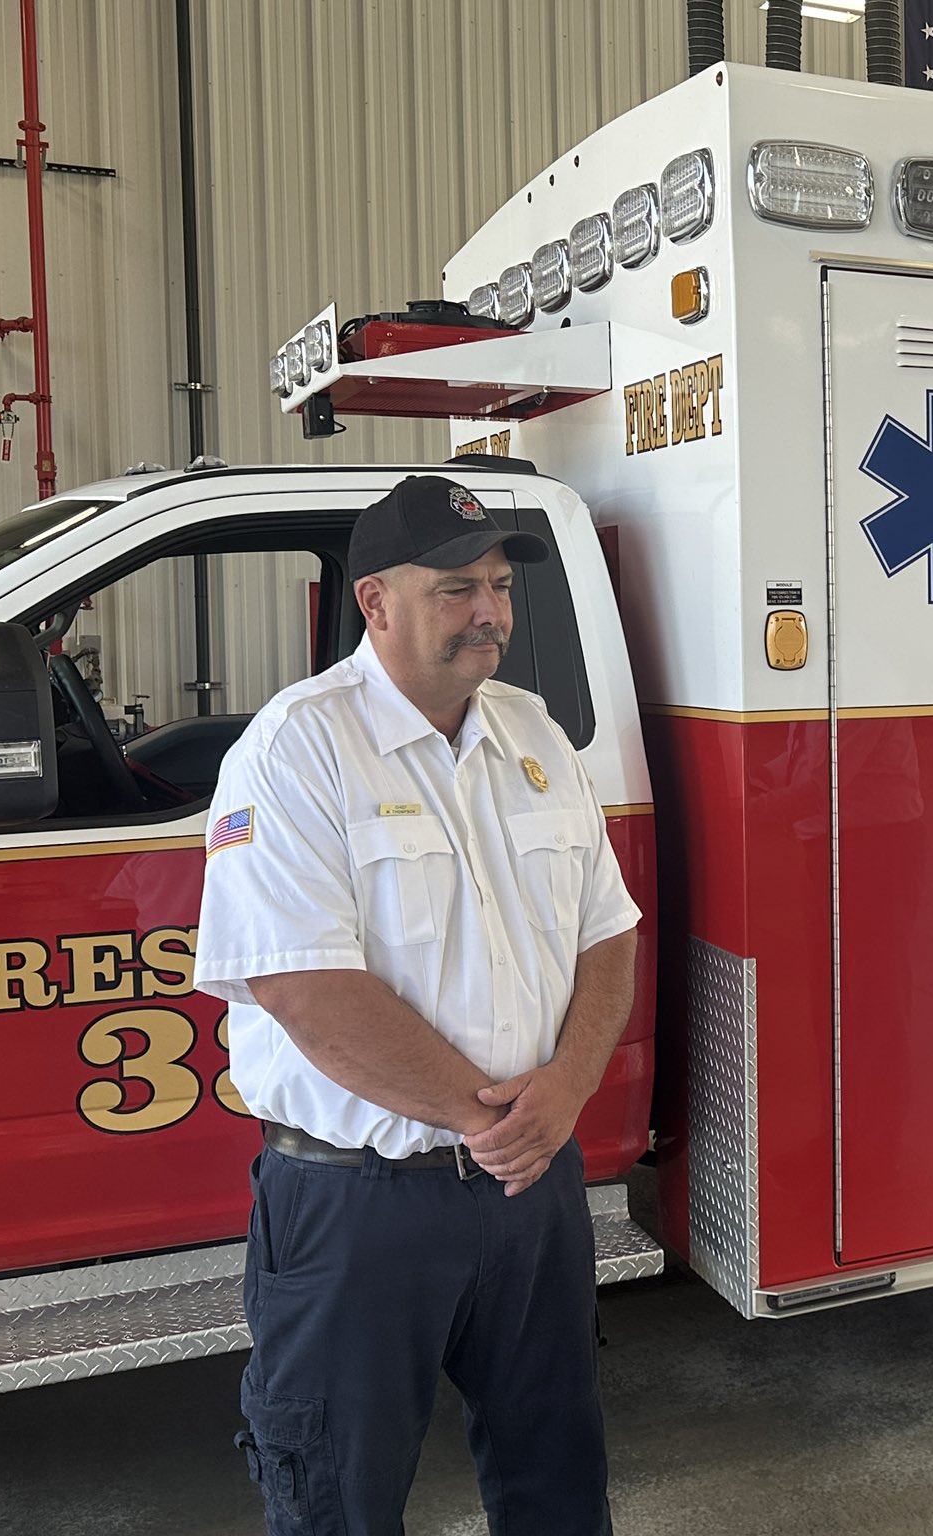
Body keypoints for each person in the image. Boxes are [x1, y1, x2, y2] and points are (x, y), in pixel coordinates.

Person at [194, 475, 641, 1536]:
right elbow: (306, 989)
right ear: (377, 601)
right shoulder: (297, 750)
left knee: (557, 1482)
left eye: (497, 586)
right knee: (337, 1496)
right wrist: (495, 1123)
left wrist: (565, 1094)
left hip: (532, 1193)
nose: (489, 610)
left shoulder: (534, 737)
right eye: (455, 589)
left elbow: (608, 934)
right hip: (361, 1209)